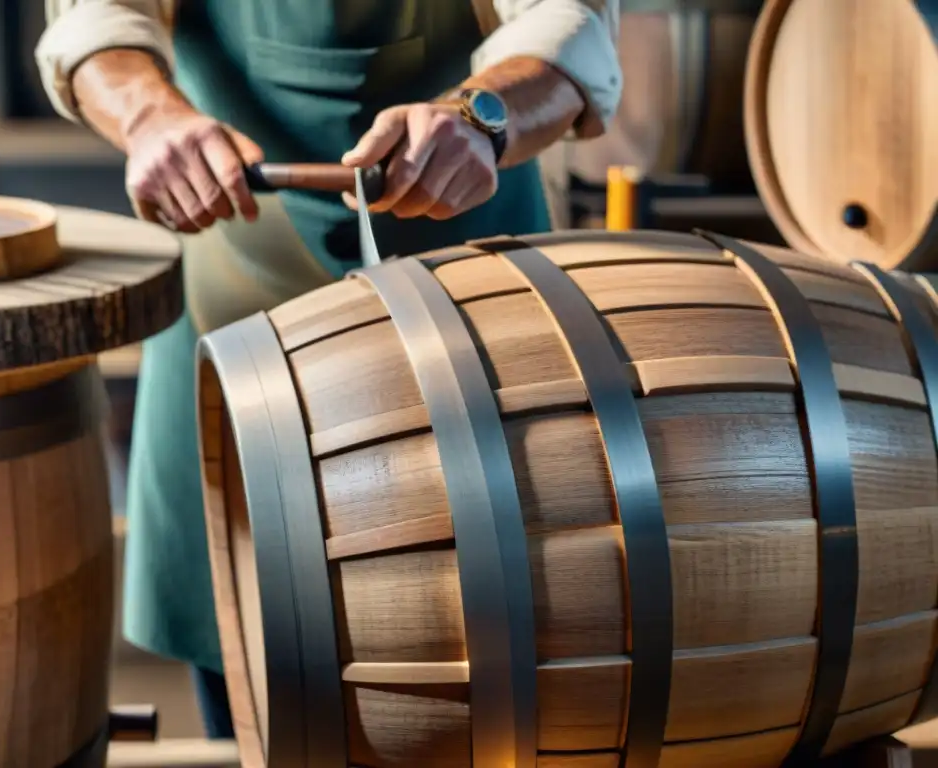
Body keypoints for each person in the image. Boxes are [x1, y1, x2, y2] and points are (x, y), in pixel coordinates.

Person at [36, 0, 622, 739]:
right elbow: (94, 21)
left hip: (468, 311)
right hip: (232, 311)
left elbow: (570, 27)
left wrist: (479, 119)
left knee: (502, 667)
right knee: (251, 671)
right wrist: (150, 117)